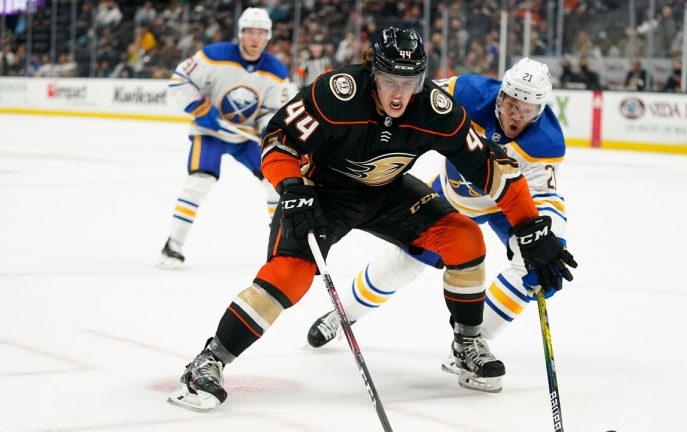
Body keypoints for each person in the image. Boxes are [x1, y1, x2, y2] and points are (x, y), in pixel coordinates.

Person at [167, 28, 576, 412]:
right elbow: (278, 139)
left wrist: (528, 225)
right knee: (289, 275)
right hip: (322, 193)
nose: (400, 95)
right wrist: (292, 188)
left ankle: (467, 347)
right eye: (391, 81)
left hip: (388, 190)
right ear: (372, 72)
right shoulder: (336, 93)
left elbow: (491, 165)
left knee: (465, 237)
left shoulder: (434, 108)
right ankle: (209, 361)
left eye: (410, 82)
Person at [306, 58, 571, 393]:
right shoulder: (470, 91)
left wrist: (542, 235)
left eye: (528, 110)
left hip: (507, 205)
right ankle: (343, 315)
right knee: (404, 262)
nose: (516, 115)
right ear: (500, 95)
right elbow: (416, 98)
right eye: (511, 104)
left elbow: (544, 195)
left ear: (541, 110)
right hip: (453, 196)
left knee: (546, 261)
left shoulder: (547, 141)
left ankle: (470, 345)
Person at [157, 8, 292, 269]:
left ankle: (282, 246)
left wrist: (266, 129)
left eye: (261, 33)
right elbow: (179, 80)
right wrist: (199, 107)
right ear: (240, 33)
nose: (255, 38)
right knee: (199, 181)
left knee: (276, 183)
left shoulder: (276, 70)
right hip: (209, 132)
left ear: (268, 37)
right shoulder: (213, 55)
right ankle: (173, 245)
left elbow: (273, 110)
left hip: (245, 138)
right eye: (250, 31)